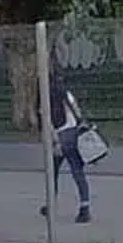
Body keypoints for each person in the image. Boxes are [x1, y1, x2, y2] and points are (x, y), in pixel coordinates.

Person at [38, 68, 93, 224]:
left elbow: (47, 120)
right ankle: (85, 207)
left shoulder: (45, 97)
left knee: (52, 172)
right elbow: (77, 111)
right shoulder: (66, 93)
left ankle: (51, 204)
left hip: (59, 135)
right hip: (73, 133)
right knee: (77, 171)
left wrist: (54, 140)